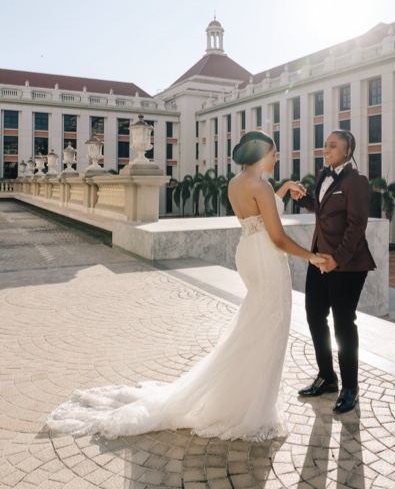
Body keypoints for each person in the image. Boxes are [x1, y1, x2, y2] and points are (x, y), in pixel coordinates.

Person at [45, 130, 329, 441]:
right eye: (274, 153)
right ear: (262, 154)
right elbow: (277, 236)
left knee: (256, 324)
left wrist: (285, 188)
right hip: (266, 258)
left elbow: (259, 213)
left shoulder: (237, 183)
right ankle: (253, 408)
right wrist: (312, 257)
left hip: (248, 252)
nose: (276, 158)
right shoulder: (259, 185)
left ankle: (246, 398)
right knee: (269, 325)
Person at [290, 129, 375, 414]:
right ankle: (327, 377)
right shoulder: (322, 176)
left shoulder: (357, 182)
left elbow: (356, 226)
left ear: (347, 151)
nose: (326, 149)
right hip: (320, 259)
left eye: (333, 146)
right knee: (314, 317)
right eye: (325, 145)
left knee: (343, 324)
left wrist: (336, 260)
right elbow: (322, 208)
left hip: (348, 264)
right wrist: (302, 199)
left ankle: (351, 387)